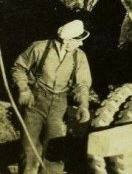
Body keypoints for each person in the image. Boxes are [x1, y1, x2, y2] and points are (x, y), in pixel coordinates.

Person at [11, 20, 92, 174]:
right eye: (78, 40)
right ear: (67, 40)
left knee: (55, 152)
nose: (81, 44)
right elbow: (18, 68)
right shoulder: (39, 48)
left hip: (59, 106)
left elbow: (82, 84)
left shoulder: (79, 57)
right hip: (35, 102)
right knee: (28, 150)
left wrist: (83, 105)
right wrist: (23, 90)